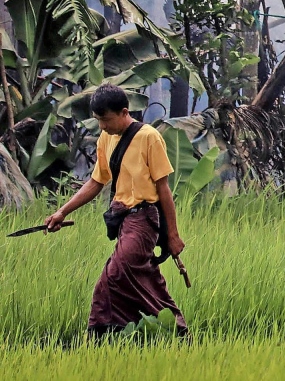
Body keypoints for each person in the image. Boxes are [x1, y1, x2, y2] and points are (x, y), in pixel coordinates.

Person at [44, 84, 188, 336]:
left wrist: (173, 235)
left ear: (124, 112)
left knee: (113, 276)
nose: (102, 125)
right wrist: (62, 212)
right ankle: (172, 330)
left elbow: (163, 188)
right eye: (98, 120)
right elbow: (96, 182)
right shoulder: (106, 138)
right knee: (140, 278)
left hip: (144, 219)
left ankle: (101, 334)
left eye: (106, 119)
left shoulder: (148, 137)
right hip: (124, 222)